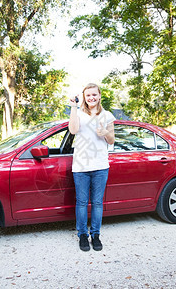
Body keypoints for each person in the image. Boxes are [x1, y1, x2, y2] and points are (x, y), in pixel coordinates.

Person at [69, 83, 115, 252]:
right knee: (81, 203)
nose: (91, 98)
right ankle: (82, 235)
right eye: (88, 95)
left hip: (101, 166)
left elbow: (111, 140)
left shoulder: (107, 115)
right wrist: (73, 107)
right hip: (81, 166)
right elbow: (73, 130)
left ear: (99, 95)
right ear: (84, 97)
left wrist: (105, 133)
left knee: (97, 203)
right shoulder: (79, 113)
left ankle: (95, 235)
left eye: (94, 94)